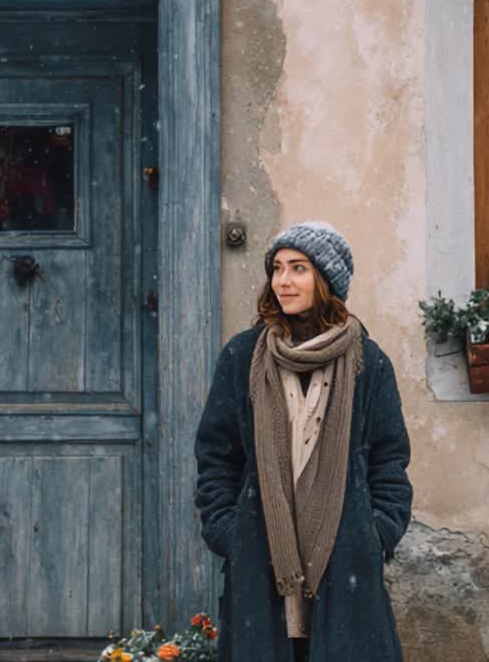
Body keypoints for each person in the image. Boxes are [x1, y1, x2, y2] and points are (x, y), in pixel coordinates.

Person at [194, 221, 413, 662]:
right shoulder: (243, 358)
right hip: (260, 554)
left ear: (326, 280)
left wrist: (376, 534)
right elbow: (217, 457)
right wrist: (229, 531)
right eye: (277, 268)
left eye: (298, 268)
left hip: (344, 558)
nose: (283, 281)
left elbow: (390, 462)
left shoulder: (369, 363)